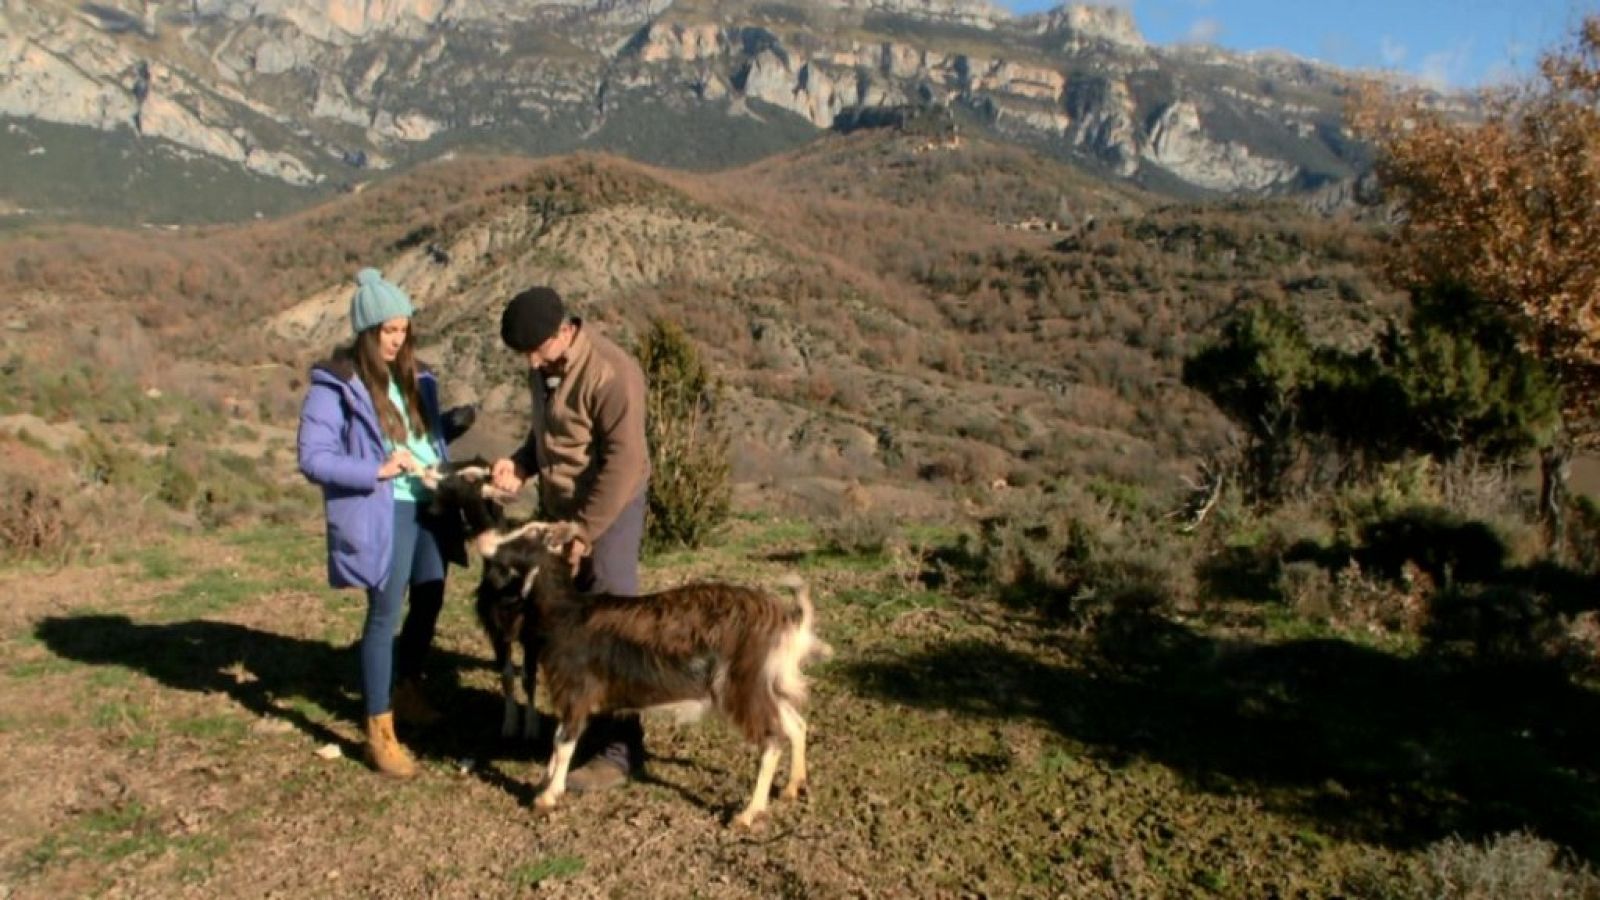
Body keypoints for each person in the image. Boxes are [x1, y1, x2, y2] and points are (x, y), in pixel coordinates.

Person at [297, 268, 470, 778]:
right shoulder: (338, 386)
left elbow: (423, 439)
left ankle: (407, 684)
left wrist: (448, 435)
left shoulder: (418, 378)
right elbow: (314, 457)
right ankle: (380, 727)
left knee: (432, 594)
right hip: (386, 506)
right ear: (366, 332)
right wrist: (376, 469)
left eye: (403, 330)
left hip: (427, 501)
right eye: (387, 331)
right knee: (384, 611)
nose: (397, 340)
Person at [492, 285, 651, 793]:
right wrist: (521, 464)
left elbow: (623, 464)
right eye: (526, 355)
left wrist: (586, 531)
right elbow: (552, 434)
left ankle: (620, 751)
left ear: (565, 331)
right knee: (568, 620)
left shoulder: (612, 373)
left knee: (613, 616)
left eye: (538, 350)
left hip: (613, 505)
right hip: (564, 510)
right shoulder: (545, 365)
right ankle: (576, 727)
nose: (533, 363)